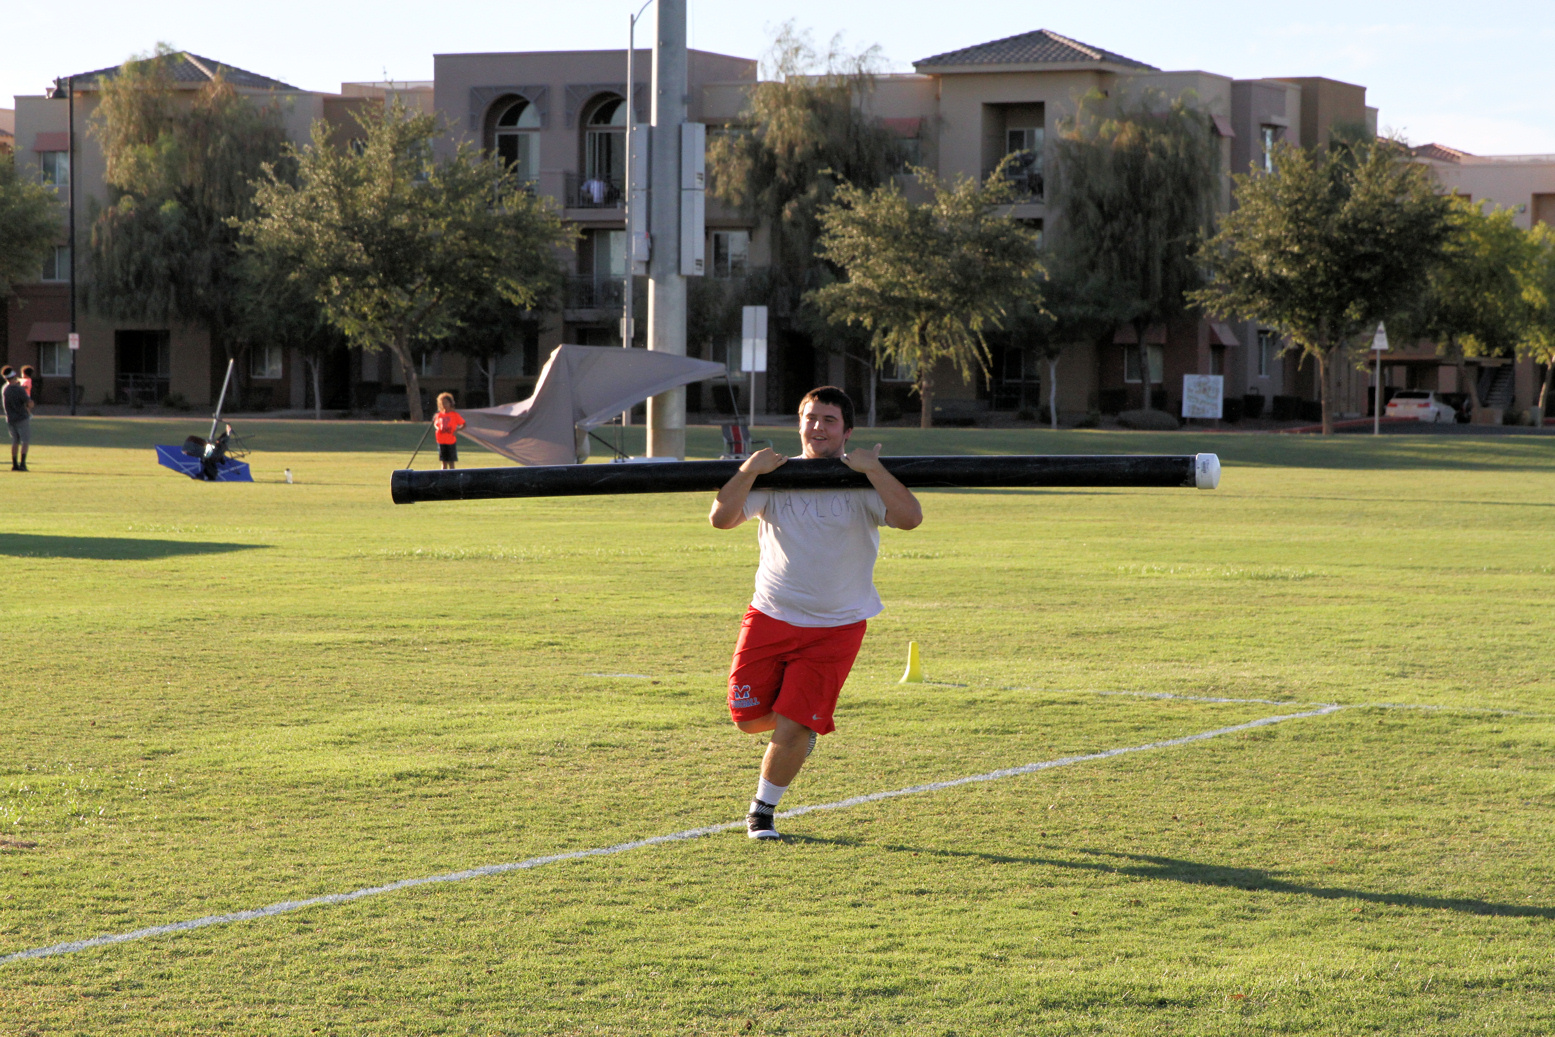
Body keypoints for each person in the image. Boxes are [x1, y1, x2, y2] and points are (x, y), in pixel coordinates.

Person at [709, 386, 923, 840]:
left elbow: (909, 517)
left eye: (828, 419)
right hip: (771, 615)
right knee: (746, 717)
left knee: (792, 726)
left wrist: (873, 468)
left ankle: (762, 811)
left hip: (837, 627)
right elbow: (721, 518)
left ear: (847, 430)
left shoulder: (863, 481)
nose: (817, 427)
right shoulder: (774, 475)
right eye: (810, 418)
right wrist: (750, 466)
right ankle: (801, 719)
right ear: (799, 424)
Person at [3, 367, 35, 472]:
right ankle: (23, 464)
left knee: (15, 441)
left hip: (10, 418)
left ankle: (14, 464)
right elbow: (29, 403)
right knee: (25, 441)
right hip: (21, 417)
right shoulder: (19, 389)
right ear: (14, 376)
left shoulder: (5, 389)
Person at [433, 392, 466, 470]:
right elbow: (436, 424)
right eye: (443, 403)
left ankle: (452, 476)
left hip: (450, 440)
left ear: (450, 403)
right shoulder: (439, 415)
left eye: (446, 403)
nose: (444, 405)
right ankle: (443, 475)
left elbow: (463, 424)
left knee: (451, 461)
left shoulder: (454, 415)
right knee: (443, 461)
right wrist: (437, 428)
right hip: (441, 441)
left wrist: (457, 430)